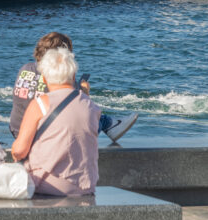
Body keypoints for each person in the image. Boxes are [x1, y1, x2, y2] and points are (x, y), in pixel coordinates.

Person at [9, 32, 137, 143]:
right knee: (88, 115)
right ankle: (108, 124)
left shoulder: (25, 68)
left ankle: (110, 123)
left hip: (17, 132)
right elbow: (79, 109)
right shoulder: (57, 76)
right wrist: (84, 91)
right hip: (44, 137)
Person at [11, 47, 100, 196]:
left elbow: (19, 151)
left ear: (45, 78)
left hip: (46, 185)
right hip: (86, 185)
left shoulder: (40, 104)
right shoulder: (91, 105)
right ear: (73, 76)